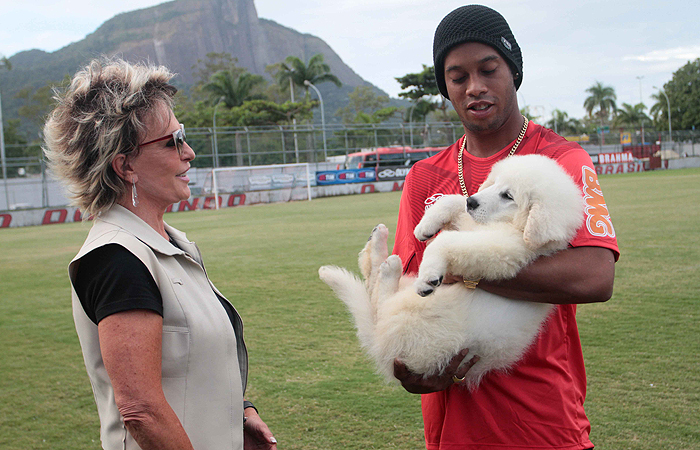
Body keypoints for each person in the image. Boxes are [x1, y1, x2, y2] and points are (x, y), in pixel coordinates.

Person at [391, 5, 619, 450]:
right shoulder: (425, 176)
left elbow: (595, 276)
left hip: (543, 423)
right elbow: (412, 281)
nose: (475, 87)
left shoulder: (561, 160)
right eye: (458, 77)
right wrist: (410, 366)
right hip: (453, 427)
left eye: (489, 69)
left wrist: (465, 266)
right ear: (447, 89)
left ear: (513, 71)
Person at [43, 58, 277, 450]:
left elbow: (188, 366)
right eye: (172, 141)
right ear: (125, 165)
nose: (189, 153)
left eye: (182, 136)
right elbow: (140, 410)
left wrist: (239, 413)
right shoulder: (117, 257)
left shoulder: (170, 244)